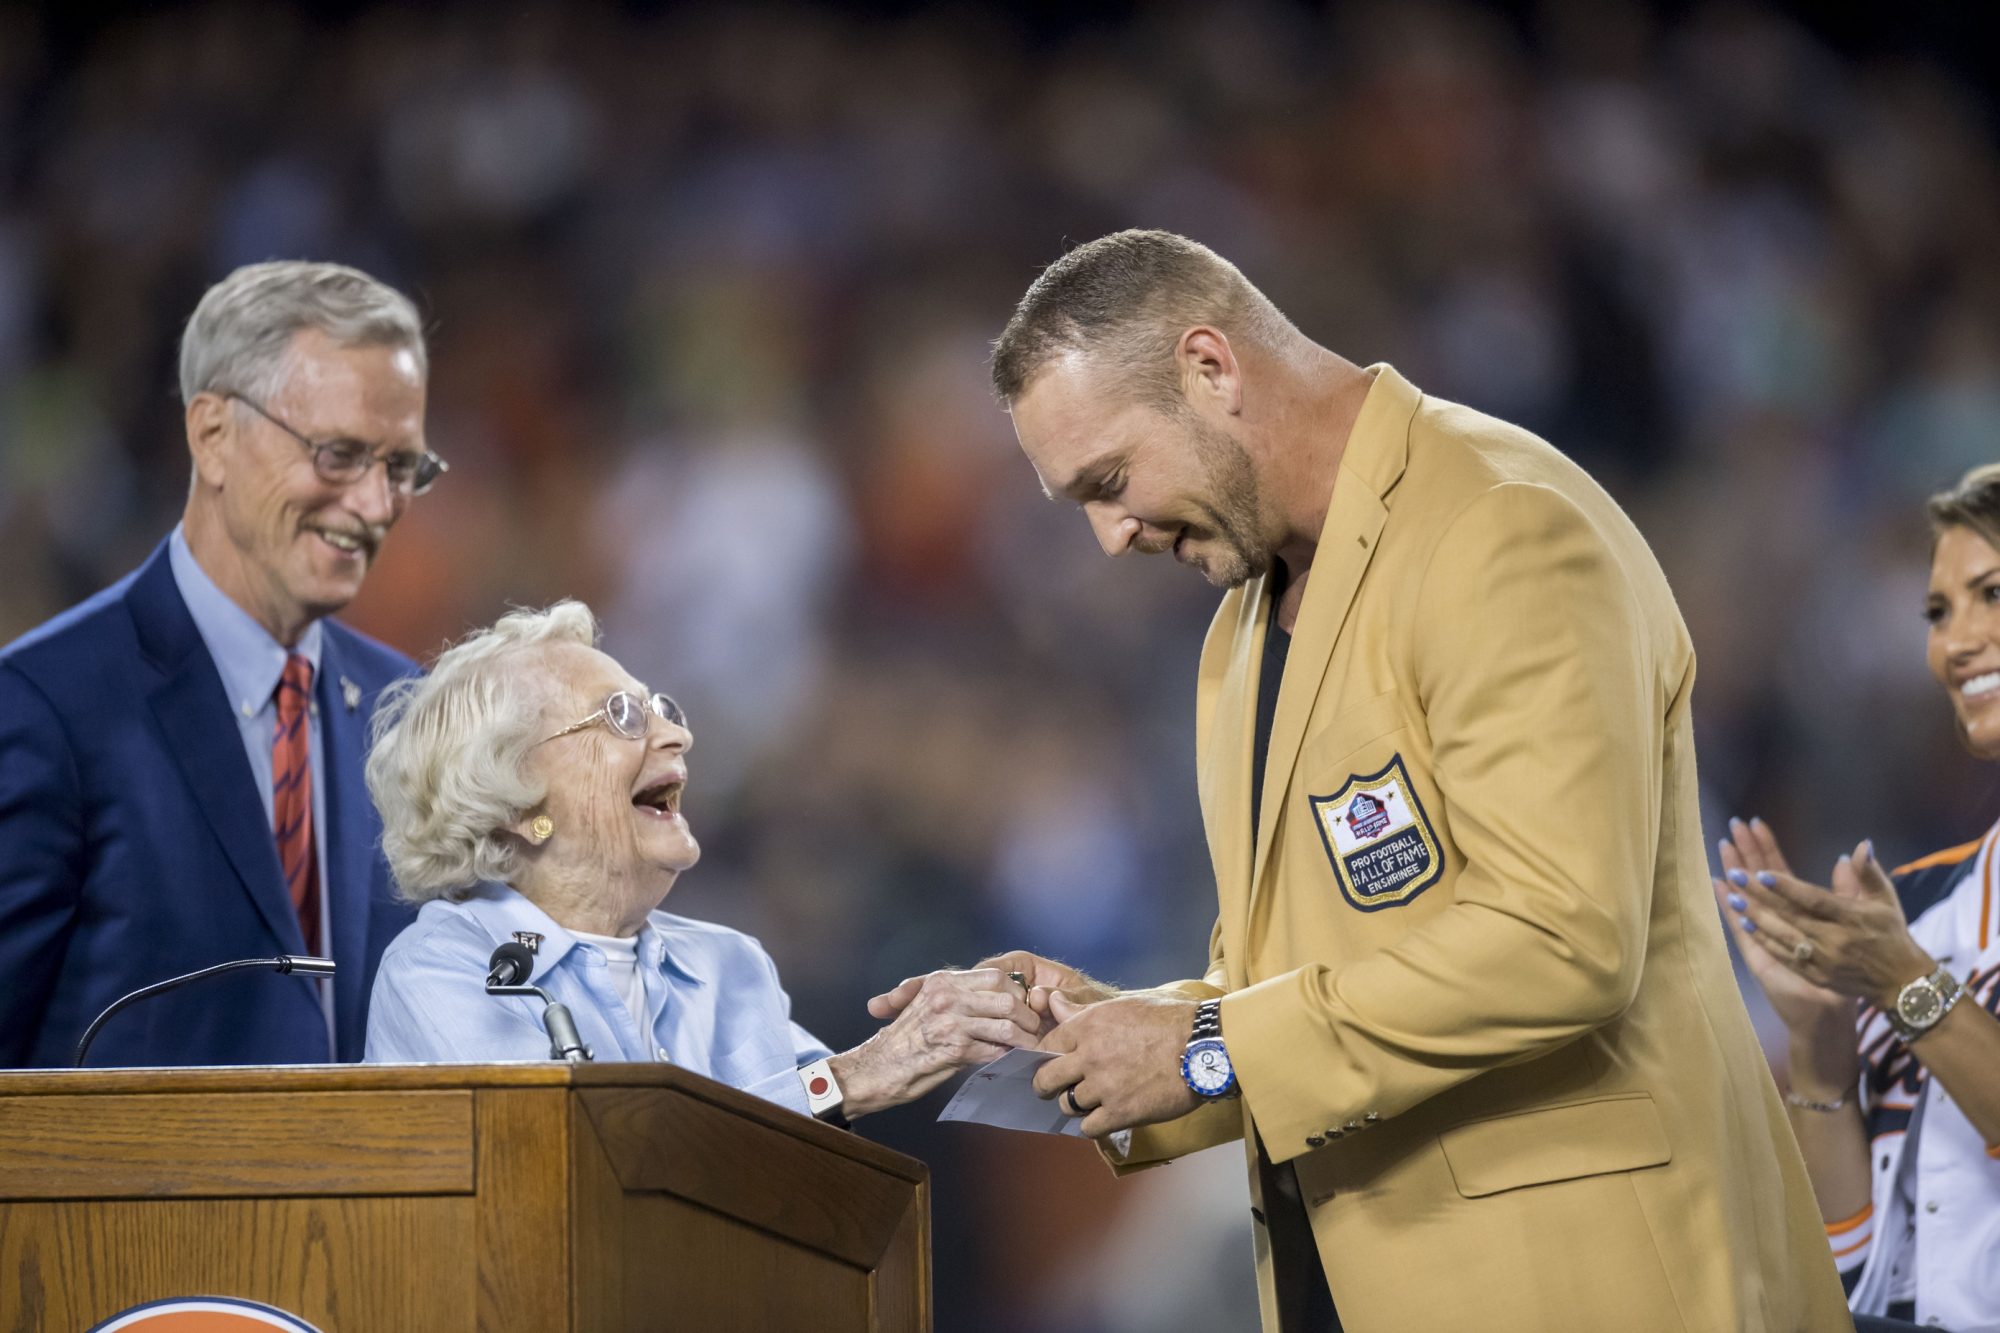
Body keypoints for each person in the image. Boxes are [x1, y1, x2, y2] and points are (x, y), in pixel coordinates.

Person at [875, 229, 1852, 1330]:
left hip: (1587, 1279)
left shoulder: (1499, 524)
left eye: (1110, 480)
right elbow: (1319, 980)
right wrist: (1104, 1033)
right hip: (1371, 1277)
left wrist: (1203, 1050)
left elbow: (1561, 935)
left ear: (1209, 366)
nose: (1111, 536)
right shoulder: (1240, 630)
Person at [362, 601, 1041, 1123]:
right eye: (623, 715)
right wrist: (857, 1075)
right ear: (510, 796)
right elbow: (560, 1167)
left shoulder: (728, 965)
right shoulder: (441, 968)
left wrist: (1016, 1023)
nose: (678, 733)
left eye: (663, 707)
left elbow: (828, 1115)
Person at [0, 261, 438, 1068]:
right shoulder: (48, 706)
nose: (378, 506)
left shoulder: (406, 711)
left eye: (401, 466)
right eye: (339, 454)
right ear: (212, 436)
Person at [1716, 463, 2000, 1331]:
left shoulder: (1899, 952)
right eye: (1938, 612)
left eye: (1991, 594)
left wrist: (1905, 986)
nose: (1955, 643)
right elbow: (1854, 1265)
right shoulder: (1914, 905)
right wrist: (1822, 1049)